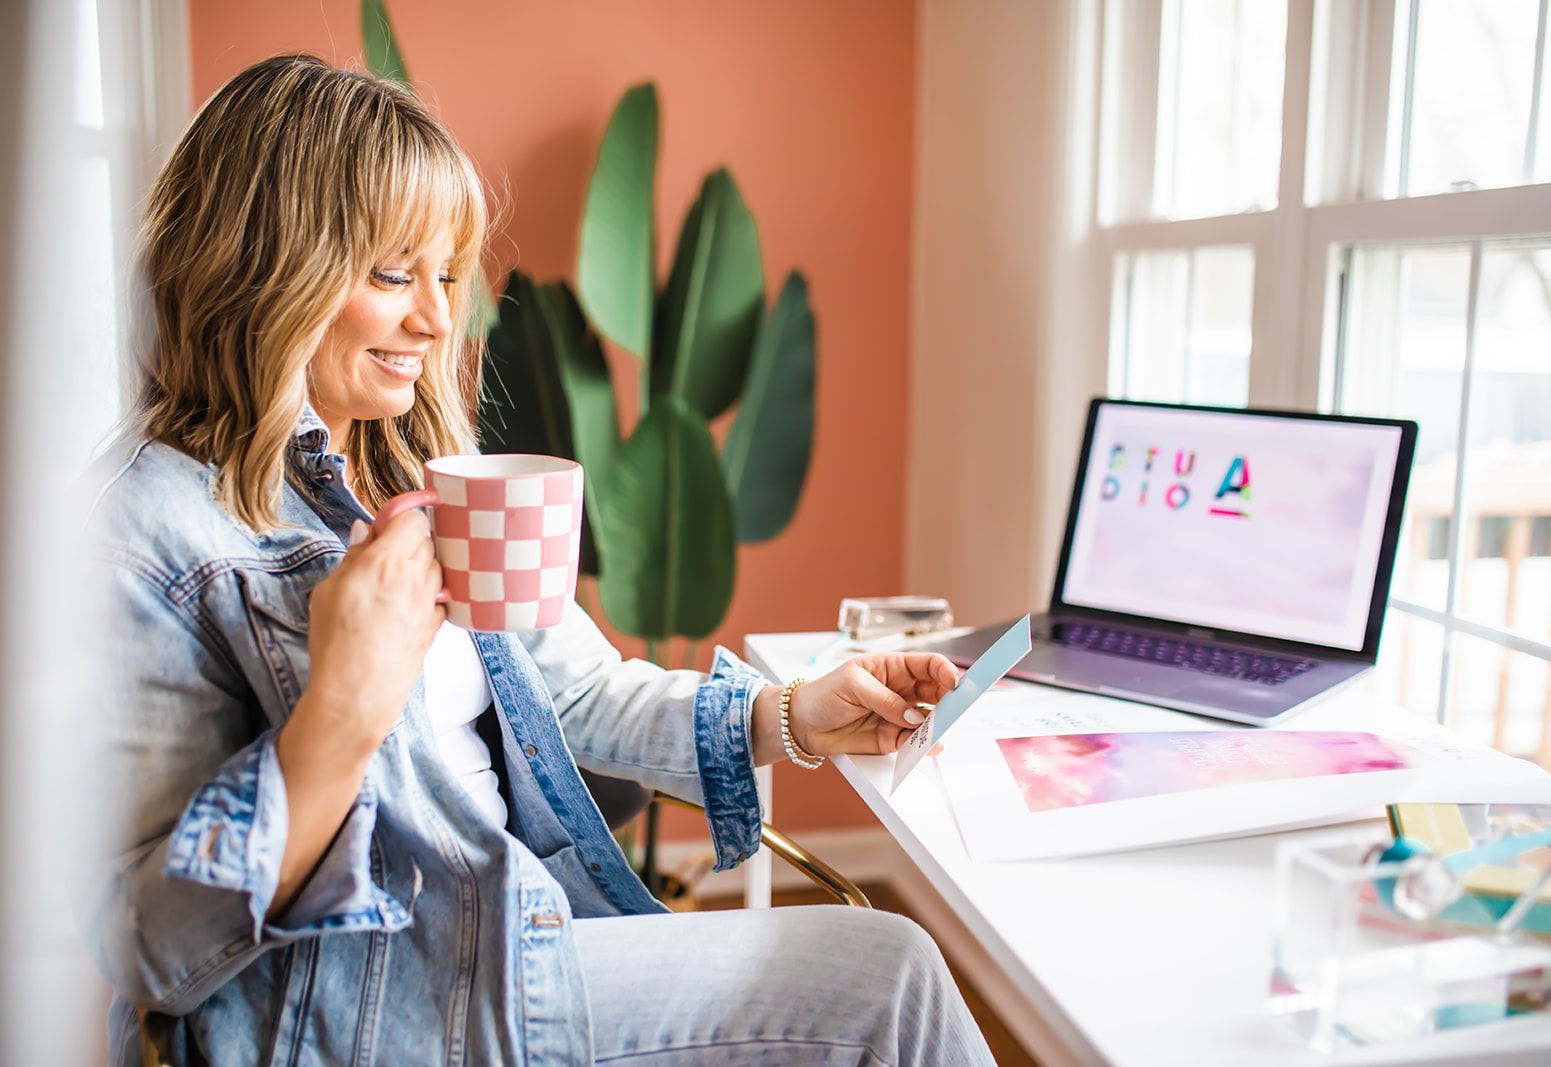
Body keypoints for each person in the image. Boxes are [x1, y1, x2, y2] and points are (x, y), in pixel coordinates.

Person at [80, 54, 997, 1066]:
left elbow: (581, 694)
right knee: (890, 977)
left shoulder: (421, 470)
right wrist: (341, 710)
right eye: (393, 274)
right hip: (375, 1015)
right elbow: (148, 941)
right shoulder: (140, 533)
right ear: (261, 265)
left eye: (445, 275)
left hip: (519, 935)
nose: (436, 322)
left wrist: (794, 716)